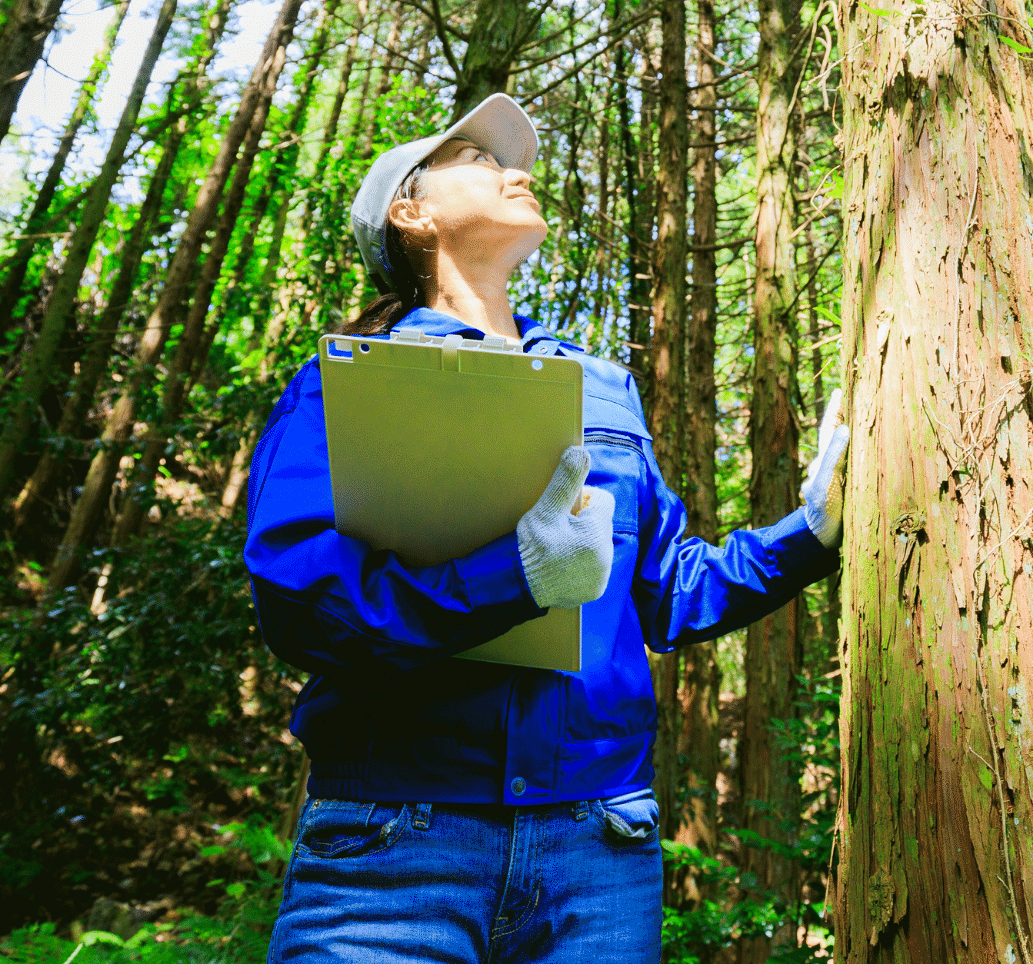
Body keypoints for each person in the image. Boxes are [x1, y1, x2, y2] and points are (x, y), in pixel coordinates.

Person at [244, 91, 851, 964]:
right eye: (482, 162)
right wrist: (515, 575)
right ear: (411, 214)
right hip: (390, 845)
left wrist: (811, 533)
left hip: (598, 849)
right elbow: (301, 600)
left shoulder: (601, 386)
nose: (517, 171)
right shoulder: (342, 384)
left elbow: (667, 591)